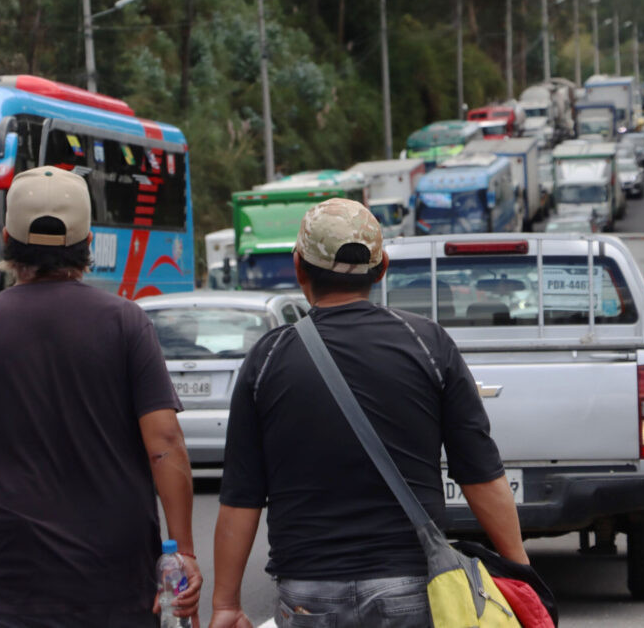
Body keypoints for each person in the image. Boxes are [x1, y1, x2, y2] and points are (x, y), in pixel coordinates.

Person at [208, 198, 527, 628]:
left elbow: (240, 496)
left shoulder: (267, 360)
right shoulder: (428, 345)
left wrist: (226, 605)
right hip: (411, 585)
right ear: (383, 268)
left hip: (307, 590)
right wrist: (522, 573)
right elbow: (480, 474)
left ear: (298, 266)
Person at [0, 166, 201, 627]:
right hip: (119, 581)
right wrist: (182, 552)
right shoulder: (126, 324)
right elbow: (164, 440)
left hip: (11, 579)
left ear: (6, 238)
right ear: (88, 245)